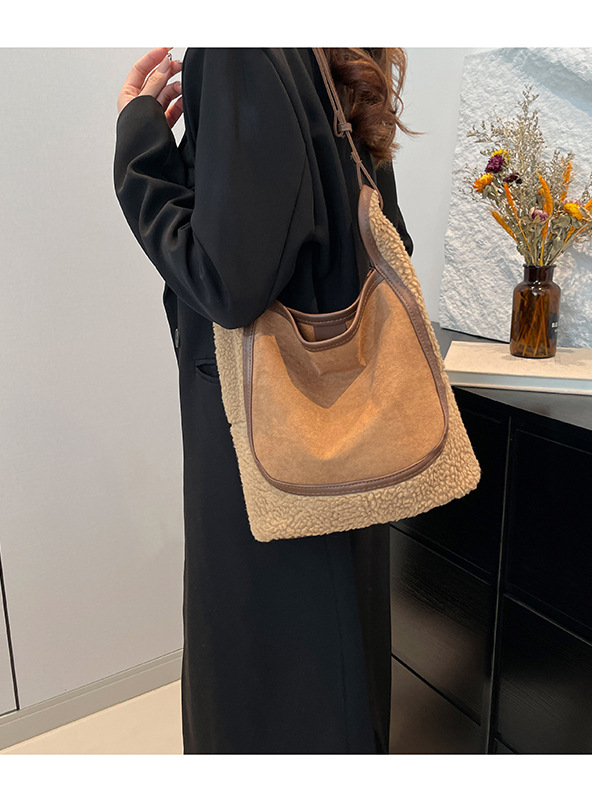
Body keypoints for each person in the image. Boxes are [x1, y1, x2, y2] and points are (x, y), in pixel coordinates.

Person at [114, 47, 415, 754]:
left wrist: (139, 148)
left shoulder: (239, 47)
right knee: (334, 659)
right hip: (346, 414)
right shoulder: (331, 47)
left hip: (260, 430)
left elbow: (229, 283)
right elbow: (387, 238)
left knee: (262, 679)